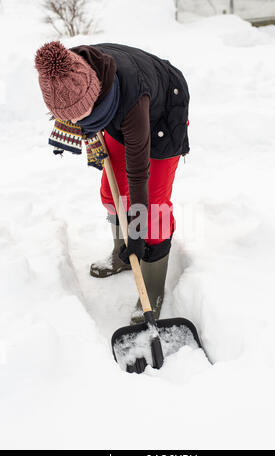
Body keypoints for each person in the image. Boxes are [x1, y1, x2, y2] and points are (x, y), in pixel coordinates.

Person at [34, 41, 190, 324]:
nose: (77, 124)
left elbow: (138, 172)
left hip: (164, 112)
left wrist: (138, 232)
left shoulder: (131, 101)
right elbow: (81, 117)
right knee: (110, 192)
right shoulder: (72, 72)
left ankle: (152, 290)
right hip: (119, 115)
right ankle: (122, 254)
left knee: (153, 210)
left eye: (81, 119)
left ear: (94, 98)